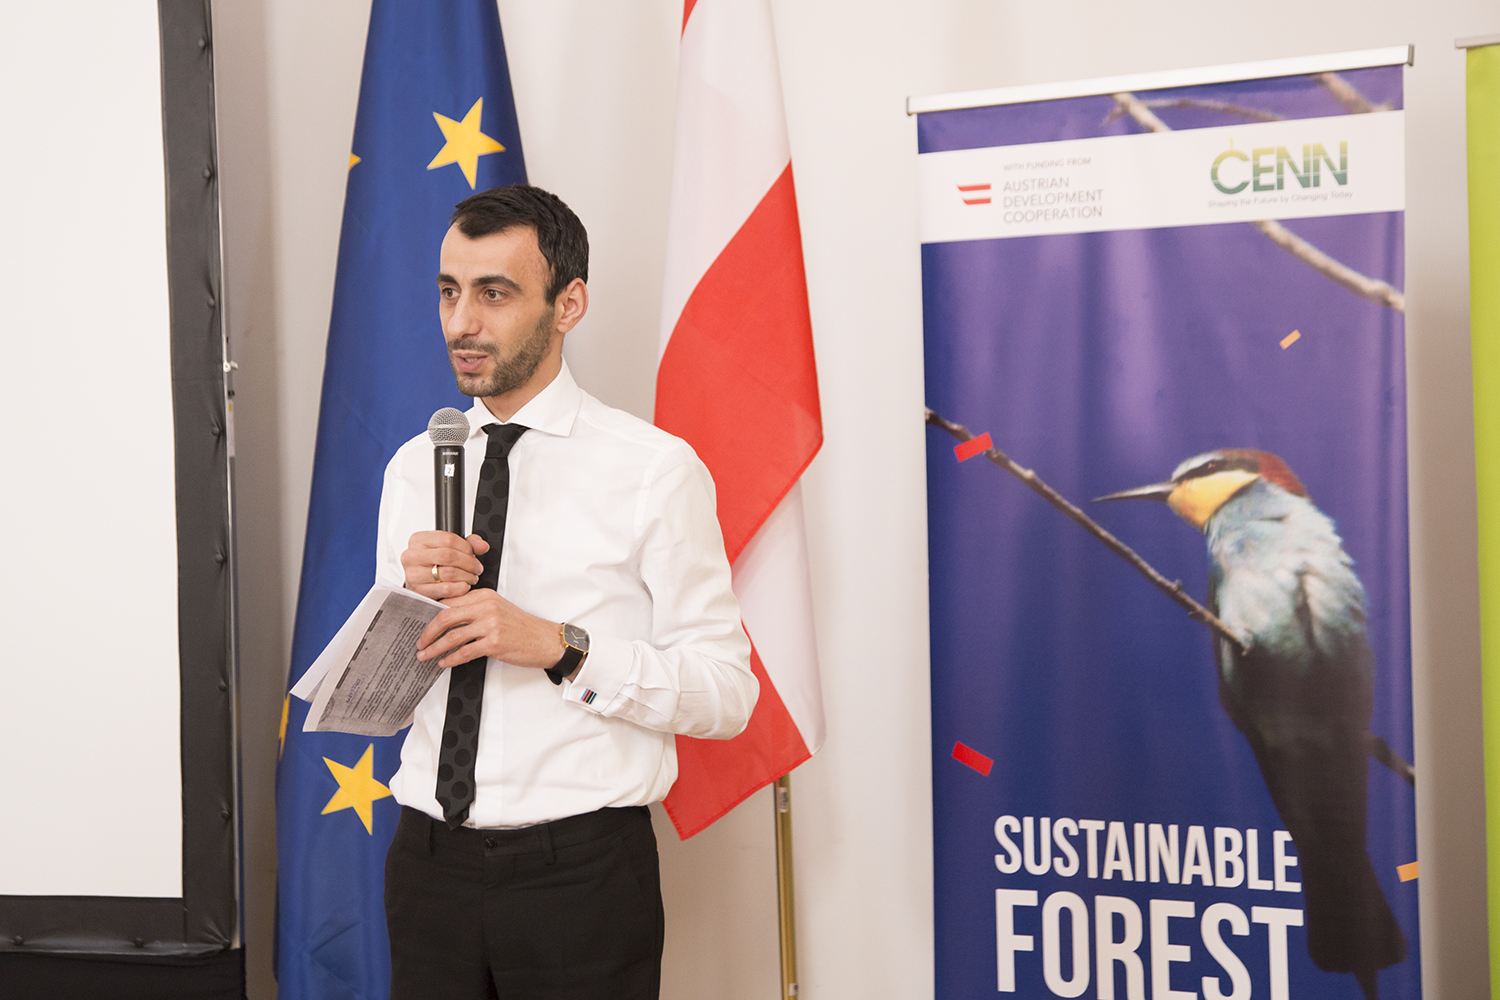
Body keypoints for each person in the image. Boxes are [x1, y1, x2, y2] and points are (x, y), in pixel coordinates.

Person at [374, 184, 757, 1000]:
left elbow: (727, 695)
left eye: (494, 294)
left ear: (568, 304)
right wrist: (403, 616)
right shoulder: (414, 466)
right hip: (427, 869)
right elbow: (392, 701)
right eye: (448, 291)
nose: (460, 323)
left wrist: (560, 648)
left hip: (579, 881)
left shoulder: (653, 470)